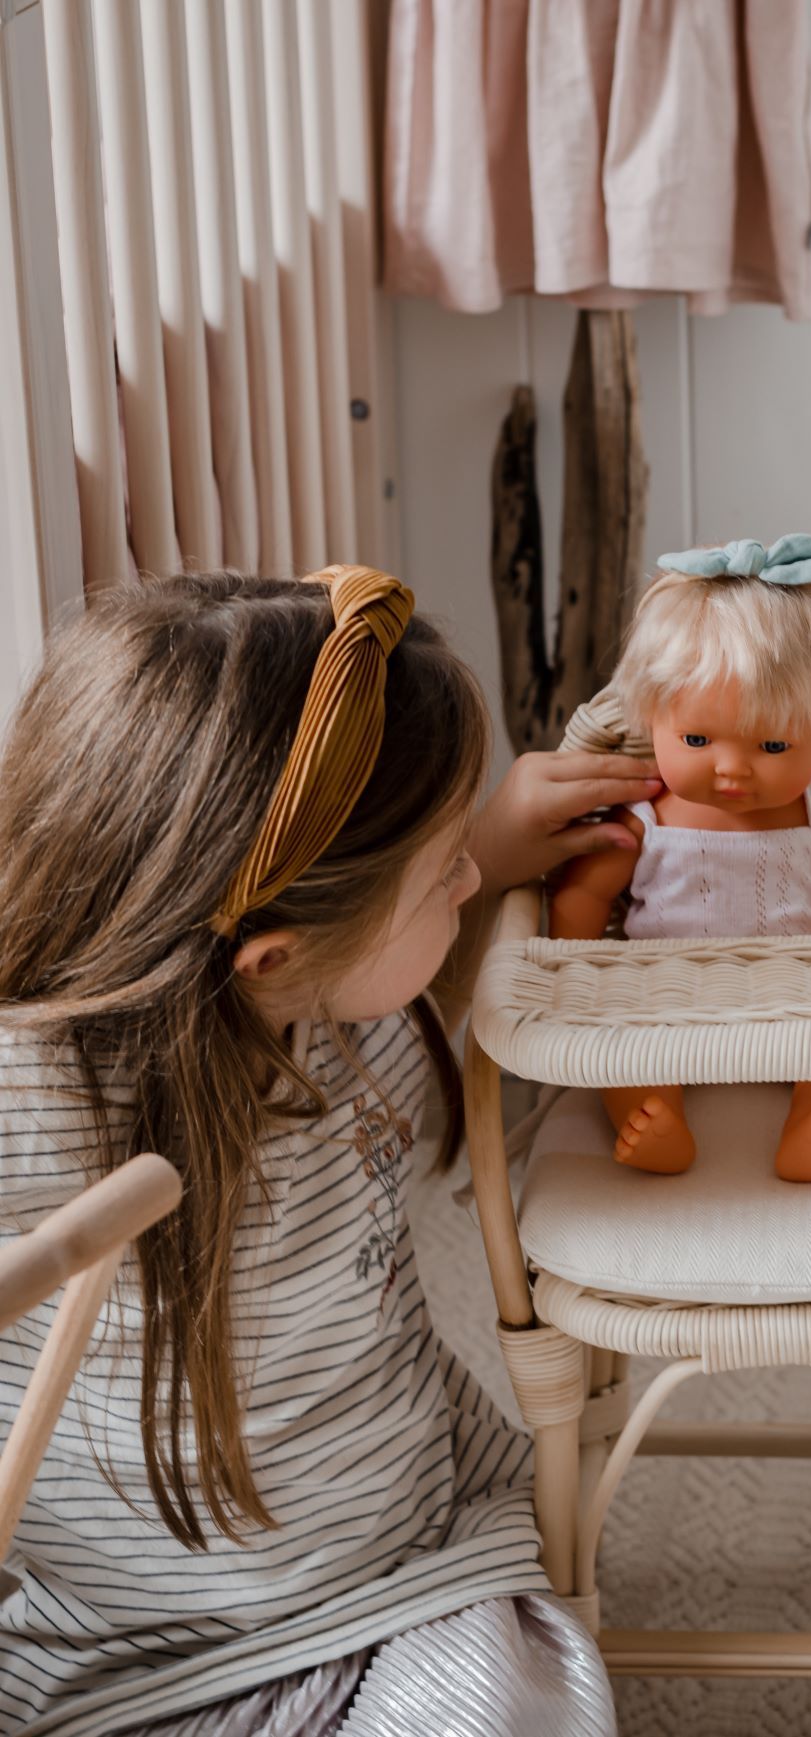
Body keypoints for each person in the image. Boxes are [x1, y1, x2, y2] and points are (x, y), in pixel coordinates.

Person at [0, 567, 663, 1737]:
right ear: (274, 957)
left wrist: (495, 846)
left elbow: (400, 951)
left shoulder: (350, 1019)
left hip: (410, 1575)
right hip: (111, 1653)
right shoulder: (39, 1093)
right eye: (443, 871)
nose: (469, 882)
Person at [549, 535, 811, 1183]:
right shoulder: (649, 815)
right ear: (651, 717)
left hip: (801, 999)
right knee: (623, 1044)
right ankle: (653, 1112)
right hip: (667, 1000)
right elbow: (584, 892)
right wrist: (576, 971)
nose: (733, 767)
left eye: (773, 743)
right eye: (695, 738)